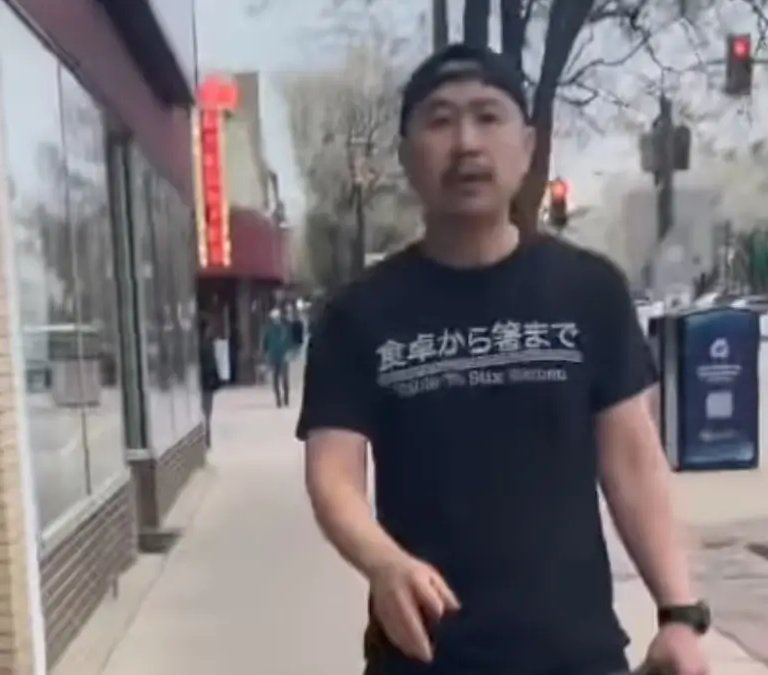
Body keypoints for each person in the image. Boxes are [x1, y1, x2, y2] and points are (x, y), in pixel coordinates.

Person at [296, 43, 709, 675]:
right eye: (440, 121)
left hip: (575, 659)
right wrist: (382, 561)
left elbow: (632, 462)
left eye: (488, 117)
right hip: (422, 658)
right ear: (406, 156)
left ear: (528, 146)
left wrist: (678, 614)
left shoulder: (589, 291)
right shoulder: (357, 316)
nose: (466, 143)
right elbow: (333, 476)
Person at [262, 308, 294, 408]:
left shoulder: (284, 329)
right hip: (274, 356)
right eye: (274, 318)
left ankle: (286, 398)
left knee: (284, 379)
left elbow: (289, 342)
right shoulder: (269, 330)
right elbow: (265, 344)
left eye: (276, 317)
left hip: (283, 356)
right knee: (275, 379)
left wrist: (288, 353)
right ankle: (278, 399)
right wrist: (266, 355)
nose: (275, 319)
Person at [198, 317, 222, 446]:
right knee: (207, 411)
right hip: (207, 382)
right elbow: (212, 364)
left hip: (200, 382)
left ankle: (206, 437)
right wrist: (216, 379)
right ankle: (206, 438)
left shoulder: (197, 344)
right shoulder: (207, 345)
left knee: (204, 411)